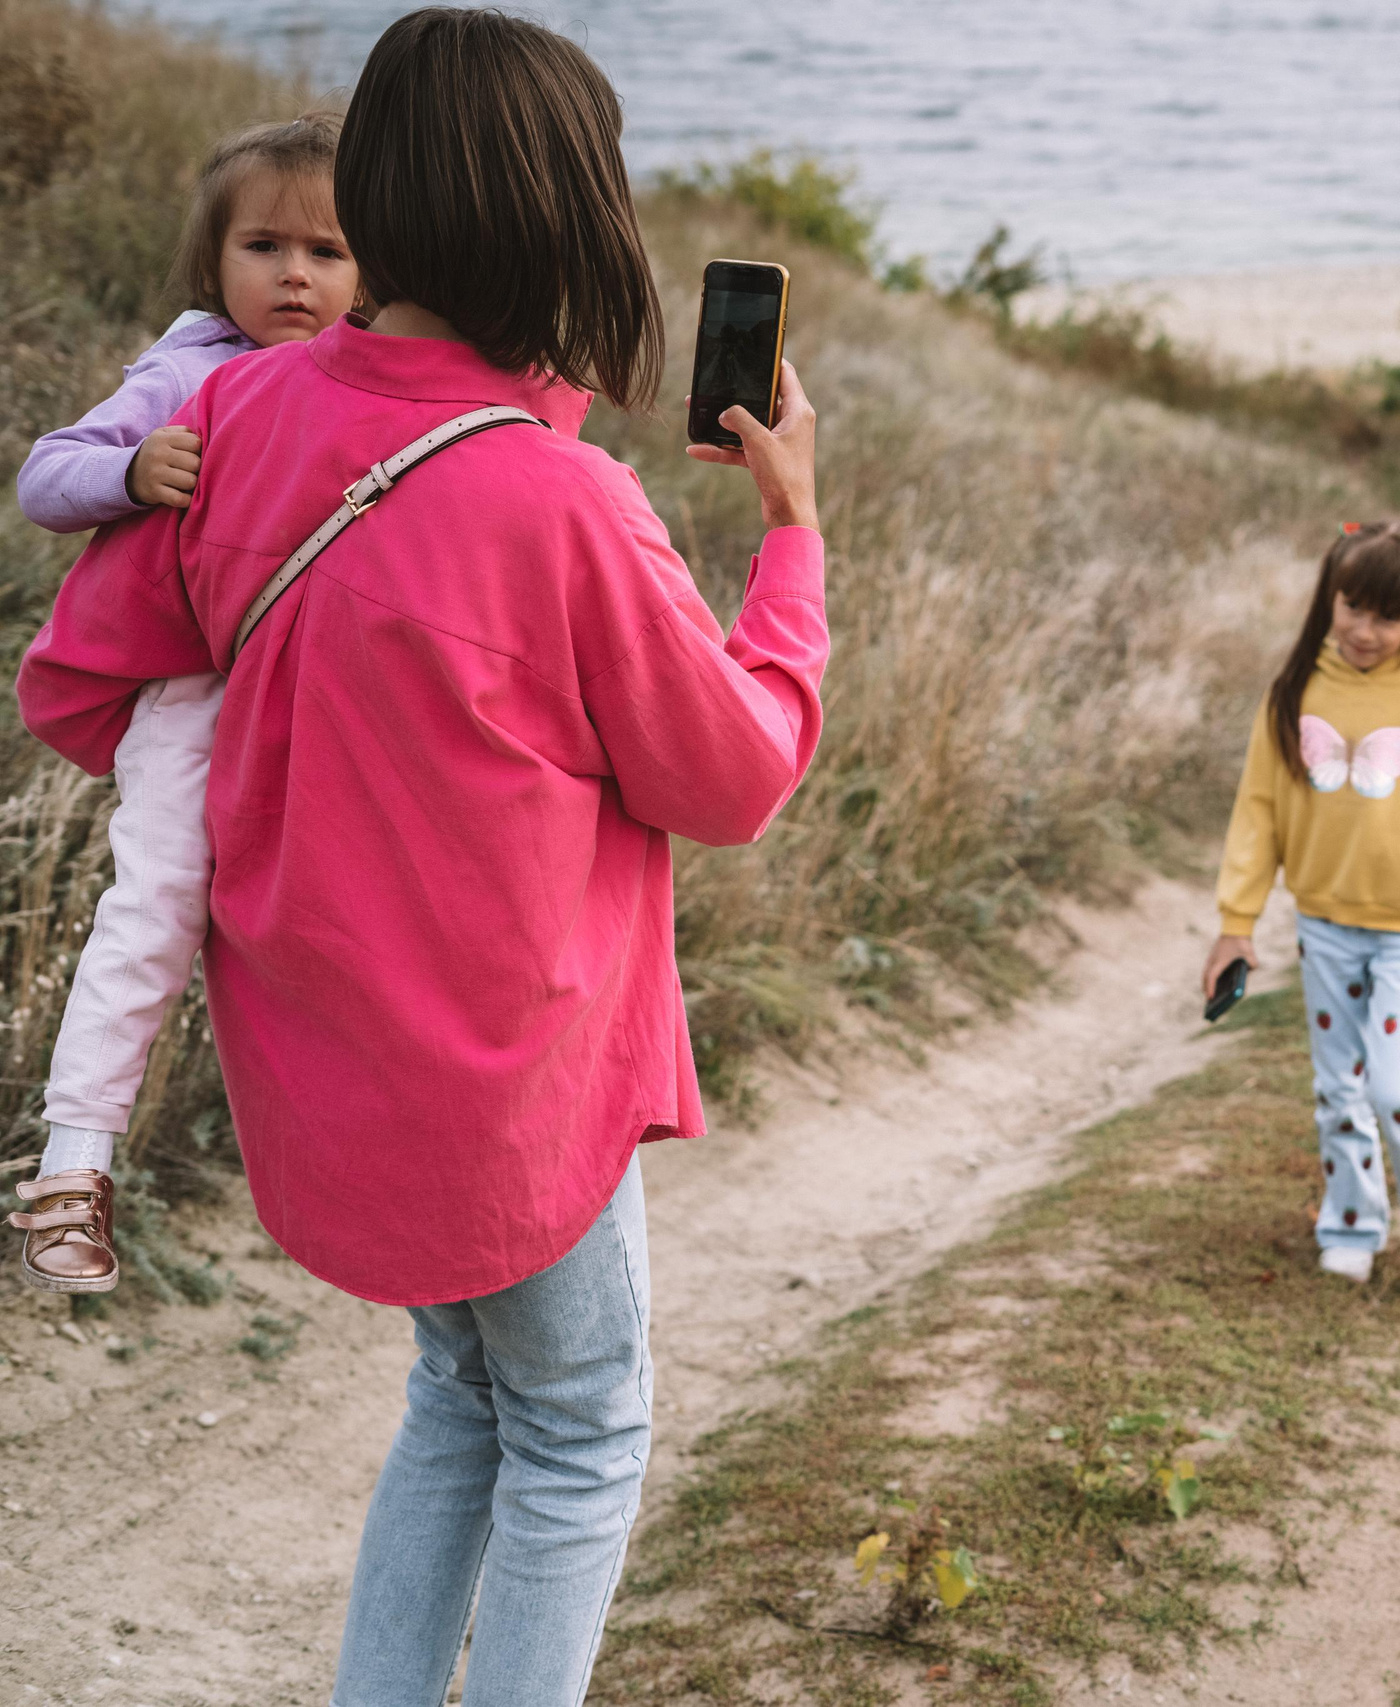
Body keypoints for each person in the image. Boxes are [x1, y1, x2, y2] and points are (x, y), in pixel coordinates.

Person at [15, 11, 831, 1702]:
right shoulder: (563, 506)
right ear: (560, 213)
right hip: (510, 1086)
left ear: (382, 195)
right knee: (582, 1429)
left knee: (458, 1404)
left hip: (328, 1059)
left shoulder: (239, 416)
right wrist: (795, 542)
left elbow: (88, 676)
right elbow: (735, 773)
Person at [9, 111, 359, 1292]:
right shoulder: (188, 368)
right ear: (216, 263)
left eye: (328, 250)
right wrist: (131, 469)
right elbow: (44, 477)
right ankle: (73, 1162)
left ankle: (345, 1165)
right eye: (265, 247)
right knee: (154, 900)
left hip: (323, 698)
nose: (296, 275)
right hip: (196, 693)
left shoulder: (367, 371)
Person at [1205, 521, 1400, 1288]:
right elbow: (1258, 813)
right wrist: (1235, 924)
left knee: (1392, 1085)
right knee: (1337, 1086)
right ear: (1330, 597)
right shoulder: (1293, 693)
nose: (1365, 630)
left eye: (1388, 617)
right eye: (1353, 607)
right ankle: (1353, 1219)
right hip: (1324, 920)